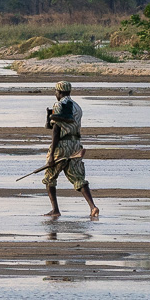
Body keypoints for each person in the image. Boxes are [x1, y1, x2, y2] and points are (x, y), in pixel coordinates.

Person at [43, 80, 100, 219]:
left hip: (62, 145)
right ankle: (93, 207)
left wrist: (51, 155)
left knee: (49, 177)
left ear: (59, 92)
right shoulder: (77, 106)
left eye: (56, 91)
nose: (56, 94)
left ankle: (55, 210)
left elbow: (56, 130)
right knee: (78, 178)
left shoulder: (59, 104)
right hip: (75, 145)